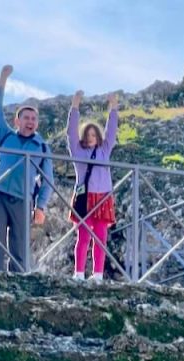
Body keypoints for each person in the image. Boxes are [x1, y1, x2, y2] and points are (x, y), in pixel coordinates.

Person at [0, 64, 55, 273]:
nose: (30, 122)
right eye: (26, 118)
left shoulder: (42, 147)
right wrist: (2, 80)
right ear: (17, 121)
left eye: (34, 119)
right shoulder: (6, 135)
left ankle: (17, 291)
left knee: (19, 249)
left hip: (23, 200)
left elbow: (48, 180)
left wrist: (40, 206)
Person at [67, 90, 119, 282]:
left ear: (98, 137)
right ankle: (79, 272)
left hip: (103, 197)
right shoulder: (77, 151)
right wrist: (75, 107)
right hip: (84, 198)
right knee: (83, 237)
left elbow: (112, 131)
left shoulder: (104, 151)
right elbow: (70, 134)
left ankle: (97, 274)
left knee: (100, 238)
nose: (90, 138)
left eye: (93, 134)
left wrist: (113, 108)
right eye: (87, 135)